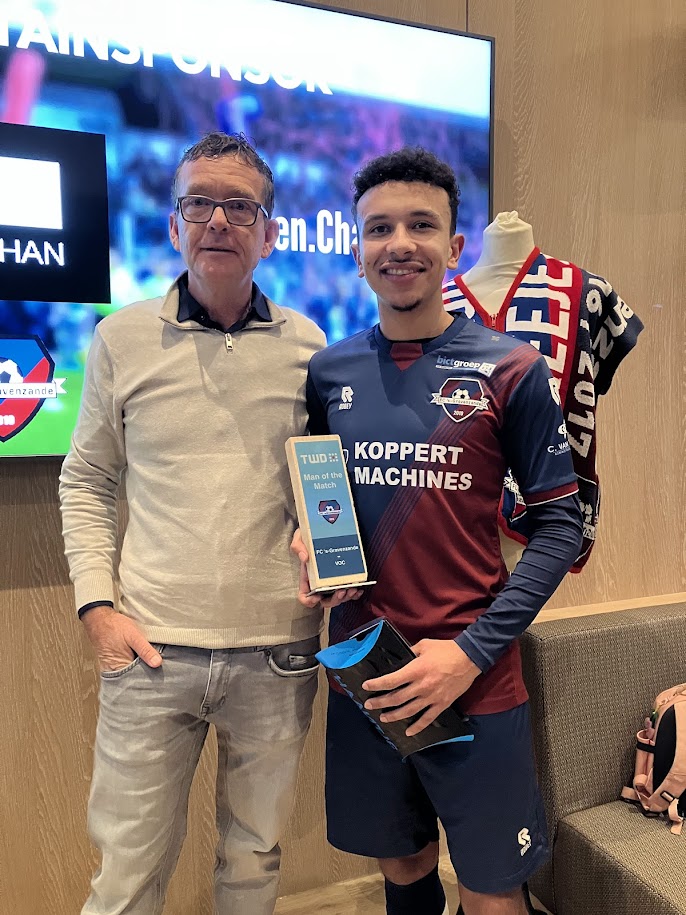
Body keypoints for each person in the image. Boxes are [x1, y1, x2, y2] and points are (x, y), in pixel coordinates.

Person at [294, 148, 584, 915]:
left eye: (421, 225)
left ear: (454, 247)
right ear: (358, 248)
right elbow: (322, 500)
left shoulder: (512, 368)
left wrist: (468, 653)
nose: (400, 243)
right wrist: (308, 538)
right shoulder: (329, 372)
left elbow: (561, 526)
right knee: (404, 864)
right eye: (379, 227)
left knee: (492, 892)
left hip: (473, 675)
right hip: (367, 669)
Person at [59, 132, 331, 915]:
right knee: (126, 876)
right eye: (200, 203)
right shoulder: (120, 338)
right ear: (175, 224)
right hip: (151, 652)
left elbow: (322, 482)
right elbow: (86, 479)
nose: (218, 220)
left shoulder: (310, 348)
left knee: (253, 864)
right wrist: (97, 608)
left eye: (239, 206)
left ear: (269, 233)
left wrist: (323, 537)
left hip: (278, 653)